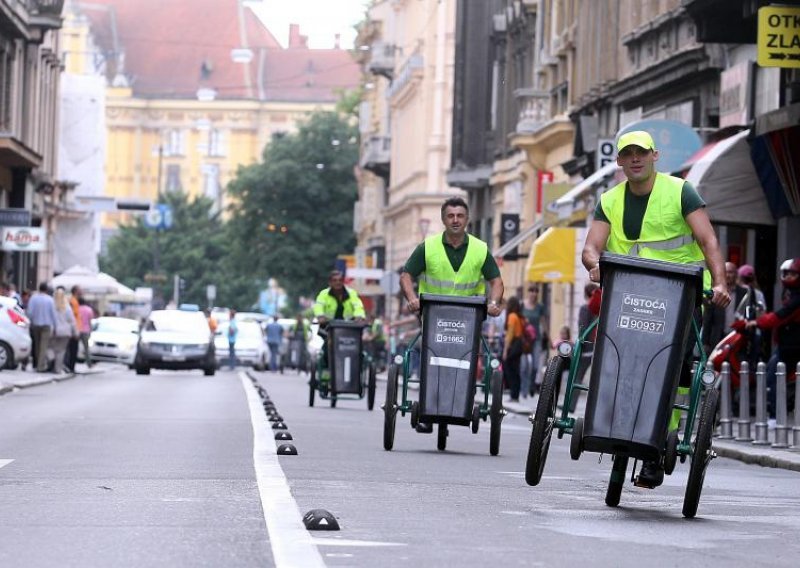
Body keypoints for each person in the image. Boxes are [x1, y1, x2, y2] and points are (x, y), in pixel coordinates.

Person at [582, 130, 730, 489]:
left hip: (679, 295)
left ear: (655, 156)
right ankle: (611, 424)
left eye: (642, 153)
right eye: (628, 153)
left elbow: (708, 240)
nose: (635, 159)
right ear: (618, 161)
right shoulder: (610, 200)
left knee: (675, 368)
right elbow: (591, 247)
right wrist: (594, 264)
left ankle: (662, 442)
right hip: (628, 294)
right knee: (615, 358)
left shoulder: (680, 192)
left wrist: (721, 282)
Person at [400, 196, 505, 431]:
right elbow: (406, 275)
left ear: (467, 219)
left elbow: (496, 281)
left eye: (460, 216)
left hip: (469, 317)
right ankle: (429, 412)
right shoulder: (428, 247)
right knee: (434, 358)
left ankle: (458, 405)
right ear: (443, 219)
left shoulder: (480, 249)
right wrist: (412, 299)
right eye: (450, 216)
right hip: (434, 314)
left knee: (464, 360)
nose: (455, 220)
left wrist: (495, 302)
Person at [745, 258, 800, 420]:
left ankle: (776, 417)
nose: (788, 277)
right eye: (787, 273)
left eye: (793, 274)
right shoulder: (791, 293)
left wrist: (757, 322)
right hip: (786, 344)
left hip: (792, 346)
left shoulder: (797, 297)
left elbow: (780, 316)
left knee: (774, 377)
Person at [313, 270, 366, 372]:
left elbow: (358, 306)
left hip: (349, 329)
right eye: (335, 280)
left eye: (340, 280)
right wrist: (320, 317)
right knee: (327, 349)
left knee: (357, 350)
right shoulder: (324, 294)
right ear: (330, 282)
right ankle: (326, 371)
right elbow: (318, 306)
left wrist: (359, 317)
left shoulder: (352, 293)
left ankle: (356, 371)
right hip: (329, 329)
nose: (338, 282)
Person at [521, 285, 549, 397]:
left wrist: (549, 338)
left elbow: (543, 322)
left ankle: (532, 386)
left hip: (536, 339)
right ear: (528, 293)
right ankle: (524, 389)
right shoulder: (522, 305)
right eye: (532, 291)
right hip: (524, 339)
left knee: (535, 366)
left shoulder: (540, 307)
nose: (534, 293)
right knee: (523, 365)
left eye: (536, 291)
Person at [27, 283, 58, 372]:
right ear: (46, 289)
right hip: (46, 326)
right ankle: (40, 366)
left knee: (37, 345)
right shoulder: (50, 300)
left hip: (36, 324)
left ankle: (37, 363)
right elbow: (54, 314)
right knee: (43, 346)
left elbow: (30, 312)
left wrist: (31, 322)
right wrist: (55, 327)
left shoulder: (34, 298)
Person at [502, 296, 525, 402]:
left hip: (514, 344)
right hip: (519, 344)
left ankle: (513, 394)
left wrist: (505, 350)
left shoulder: (512, 316)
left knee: (509, 368)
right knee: (516, 370)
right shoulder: (519, 317)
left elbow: (510, 335)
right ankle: (515, 394)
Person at [52, 288, 78, 374]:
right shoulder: (67, 307)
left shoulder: (52, 306)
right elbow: (72, 321)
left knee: (53, 349)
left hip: (54, 331)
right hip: (65, 332)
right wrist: (75, 332)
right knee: (61, 351)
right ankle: (58, 368)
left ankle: (51, 365)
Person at [64, 285, 82, 372]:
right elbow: (72, 317)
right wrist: (74, 330)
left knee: (73, 349)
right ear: (75, 291)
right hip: (74, 329)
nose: (81, 291)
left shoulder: (74, 301)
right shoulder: (72, 301)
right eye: (79, 290)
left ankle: (71, 366)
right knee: (72, 349)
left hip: (76, 328)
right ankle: (70, 367)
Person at [77, 298, 95, 368]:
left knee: (75, 347)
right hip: (86, 330)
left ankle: (73, 362)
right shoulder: (89, 310)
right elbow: (90, 321)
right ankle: (89, 363)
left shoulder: (77, 309)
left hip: (78, 330)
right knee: (86, 348)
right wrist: (91, 330)